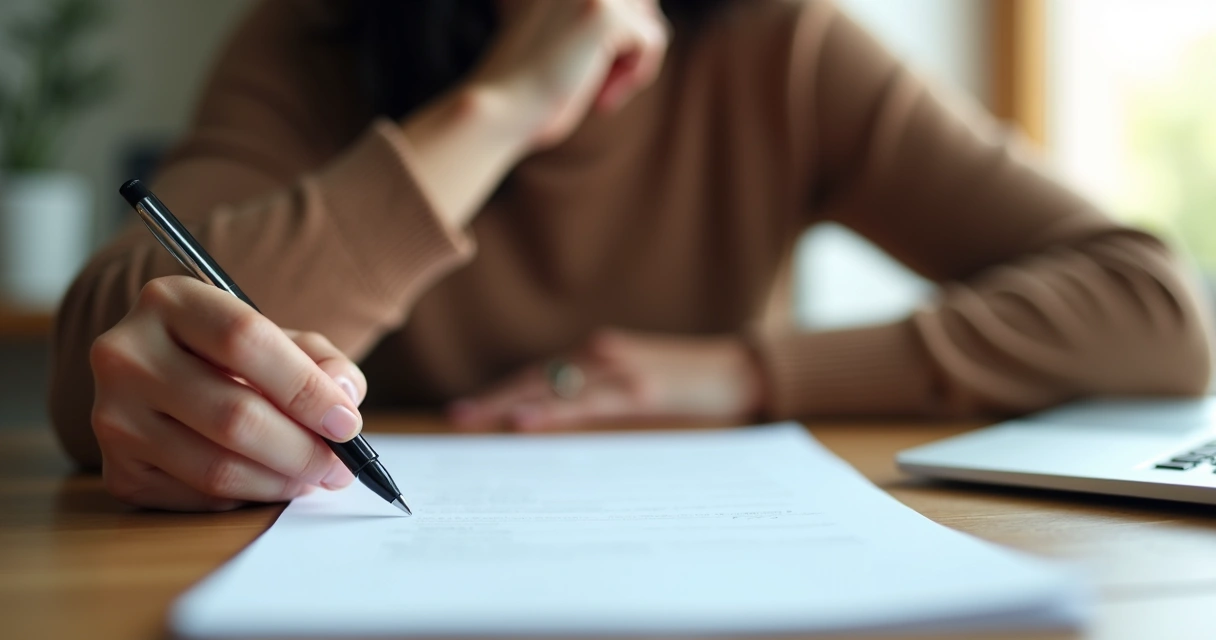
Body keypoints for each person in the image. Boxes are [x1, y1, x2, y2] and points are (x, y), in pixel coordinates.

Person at [49, 0, 1212, 511]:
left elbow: (1153, 307)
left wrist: (746, 374)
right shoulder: (312, 38)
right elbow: (104, 352)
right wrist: (502, 110)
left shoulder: (779, 46)